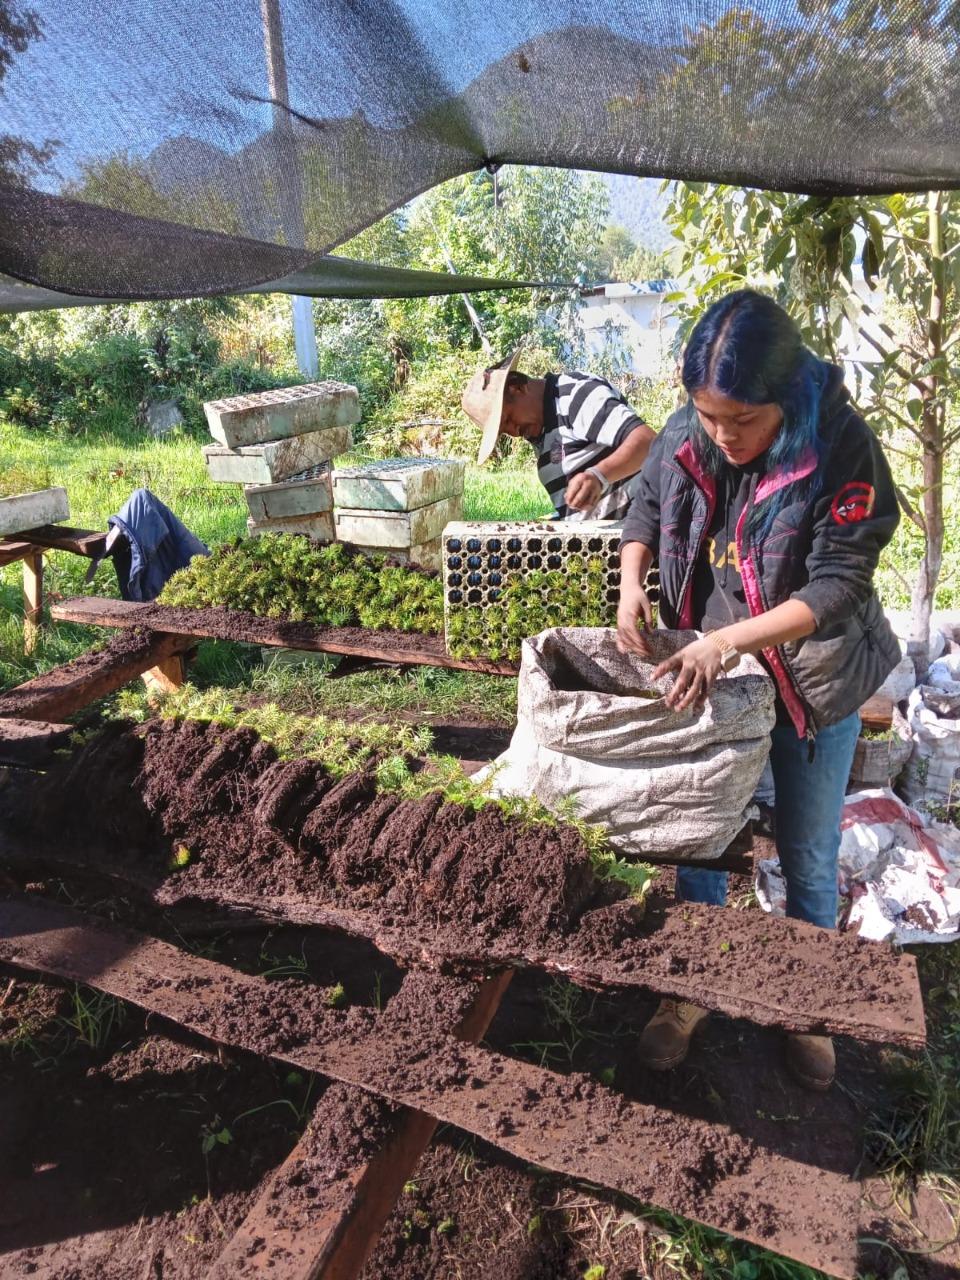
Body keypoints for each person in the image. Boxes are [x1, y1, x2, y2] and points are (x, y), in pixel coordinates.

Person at [616, 289, 901, 1091]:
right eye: (707, 417)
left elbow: (838, 587)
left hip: (809, 676)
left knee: (808, 853)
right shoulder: (694, 428)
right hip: (713, 663)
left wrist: (725, 641)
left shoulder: (842, 447)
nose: (721, 435)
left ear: (785, 394)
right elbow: (643, 510)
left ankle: (806, 1002)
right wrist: (631, 587)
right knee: (700, 836)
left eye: (740, 421)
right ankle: (690, 992)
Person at [461, 351, 655, 520]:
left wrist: (599, 476)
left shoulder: (574, 396)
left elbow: (647, 442)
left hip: (642, 538)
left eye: (508, 419)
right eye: (504, 431)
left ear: (518, 387)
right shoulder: (542, 428)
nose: (513, 432)